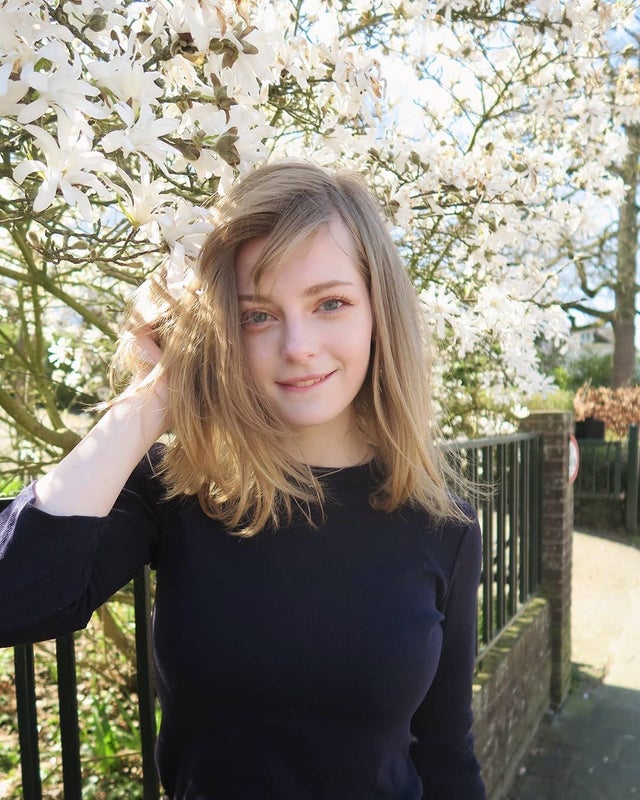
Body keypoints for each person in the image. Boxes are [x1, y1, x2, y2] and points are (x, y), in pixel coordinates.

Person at [0, 161, 487, 800]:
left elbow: (445, 753)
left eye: (330, 303)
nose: (299, 345)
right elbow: (14, 594)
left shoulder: (442, 524)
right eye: (257, 315)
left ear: (378, 311)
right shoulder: (177, 490)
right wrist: (157, 394)